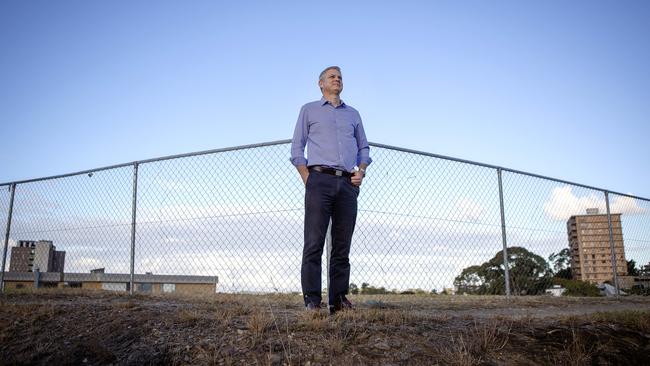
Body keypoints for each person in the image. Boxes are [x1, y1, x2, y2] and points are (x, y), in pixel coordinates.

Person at [290, 66, 372, 314]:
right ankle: (312, 301)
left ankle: (338, 300)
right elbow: (297, 149)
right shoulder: (309, 110)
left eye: (340, 77)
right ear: (321, 84)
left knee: (341, 246)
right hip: (319, 181)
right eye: (332, 77)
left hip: (347, 184)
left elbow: (364, 148)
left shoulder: (353, 114)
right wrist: (307, 178)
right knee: (314, 243)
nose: (337, 79)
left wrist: (361, 171)